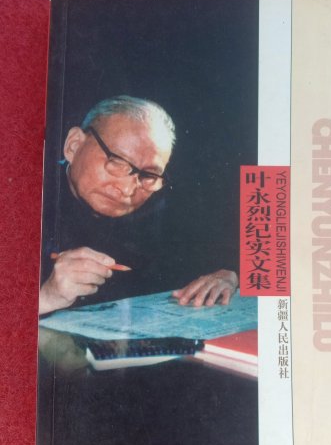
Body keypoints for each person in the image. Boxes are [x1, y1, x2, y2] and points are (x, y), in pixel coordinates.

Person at [39, 95, 238, 315]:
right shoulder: (25, 197)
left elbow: (221, 255)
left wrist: (229, 275)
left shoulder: (158, 210)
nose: (127, 190)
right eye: (117, 161)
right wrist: (46, 297)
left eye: (148, 175)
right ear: (73, 146)